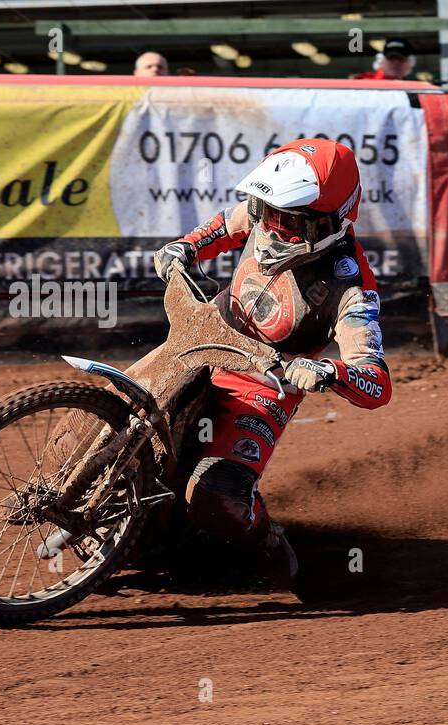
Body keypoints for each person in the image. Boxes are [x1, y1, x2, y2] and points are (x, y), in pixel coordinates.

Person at [151, 140, 392, 585]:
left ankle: (264, 540)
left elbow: (377, 381)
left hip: (263, 384)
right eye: (266, 212)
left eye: (287, 220)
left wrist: (328, 371)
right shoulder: (262, 215)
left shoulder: (353, 287)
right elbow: (226, 225)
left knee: (215, 496)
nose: (272, 228)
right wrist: (184, 248)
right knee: (120, 411)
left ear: (331, 222)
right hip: (203, 340)